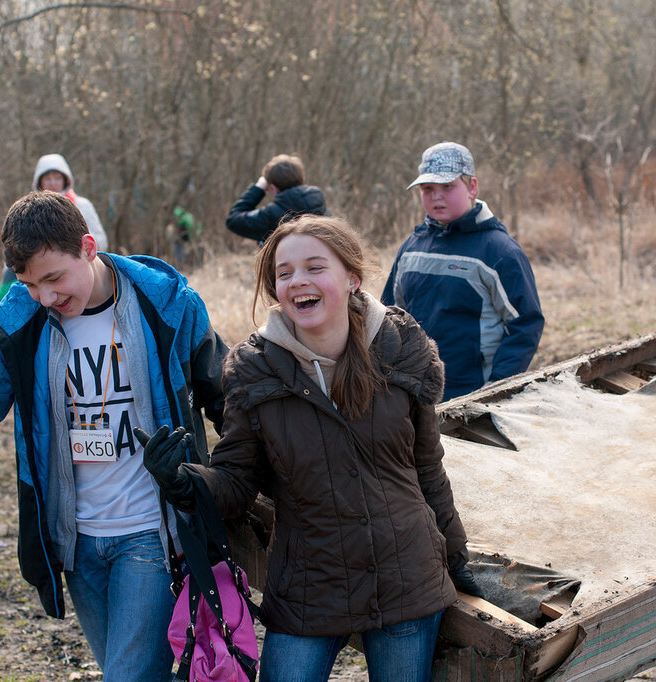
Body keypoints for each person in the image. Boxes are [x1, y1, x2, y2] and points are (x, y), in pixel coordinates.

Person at [0, 191, 227, 680]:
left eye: (54, 278)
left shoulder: (167, 305)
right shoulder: (23, 326)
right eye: (31, 284)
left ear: (89, 247)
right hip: (75, 545)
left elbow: (230, 403)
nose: (47, 297)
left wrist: (253, 487)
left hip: (151, 535)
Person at [136, 214, 482, 681]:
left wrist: (456, 559)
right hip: (308, 587)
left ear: (352, 277)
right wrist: (182, 479)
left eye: (315, 267)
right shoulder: (255, 372)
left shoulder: (401, 348)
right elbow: (237, 484)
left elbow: (427, 469)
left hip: (406, 580)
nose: (298, 280)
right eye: (284, 273)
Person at [382, 141, 545, 401]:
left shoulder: (500, 251)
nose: (436, 196)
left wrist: (496, 387)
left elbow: (524, 324)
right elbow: (389, 314)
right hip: (415, 393)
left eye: (448, 187)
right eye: (427, 189)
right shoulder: (412, 247)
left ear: (472, 187)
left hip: (473, 393)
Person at [0, 153, 110, 305]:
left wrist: (72, 246)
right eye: (48, 178)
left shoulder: (82, 205)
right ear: (40, 181)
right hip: (32, 270)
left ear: (65, 179)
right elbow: (16, 243)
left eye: (57, 178)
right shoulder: (29, 209)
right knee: (3, 303)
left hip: (75, 261)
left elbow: (100, 239)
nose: (53, 183)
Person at [225, 153, 329, 245]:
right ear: (302, 180)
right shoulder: (319, 205)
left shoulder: (272, 214)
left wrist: (258, 189)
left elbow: (233, 220)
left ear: (273, 188)